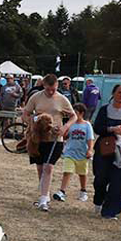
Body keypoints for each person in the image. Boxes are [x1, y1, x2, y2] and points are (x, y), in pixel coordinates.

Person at [22, 74, 75, 211]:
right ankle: (44, 195)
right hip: (38, 138)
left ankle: (44, 199)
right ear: (44, 86)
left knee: (48, 167)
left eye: (54, 89)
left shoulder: (62, 99)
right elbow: (25, 114)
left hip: (55, 138)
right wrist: (33, 123)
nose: (51, 92)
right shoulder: (36, 97)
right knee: (40, 168)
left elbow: (73, 116)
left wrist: (64, 128)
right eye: (48, 89)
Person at [92, 84, 121, 220]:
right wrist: (111, 129)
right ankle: (99, 199)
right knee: (100, 178)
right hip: (105, 148)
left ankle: (110, 211)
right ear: (113, 93)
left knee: (119, 181)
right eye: (119, 93)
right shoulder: (104, 110)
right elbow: (98, 128)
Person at [55, 103, 94, 202]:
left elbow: (90, 139)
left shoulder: (87, 125)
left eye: (76, 113)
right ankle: (62, 191)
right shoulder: (70, 124)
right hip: (70, 152)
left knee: (82, 173)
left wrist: (90, 149)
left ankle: (83, 191)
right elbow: (65, 137)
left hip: (82, 154)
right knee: (67, 171)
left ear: (81, 113)